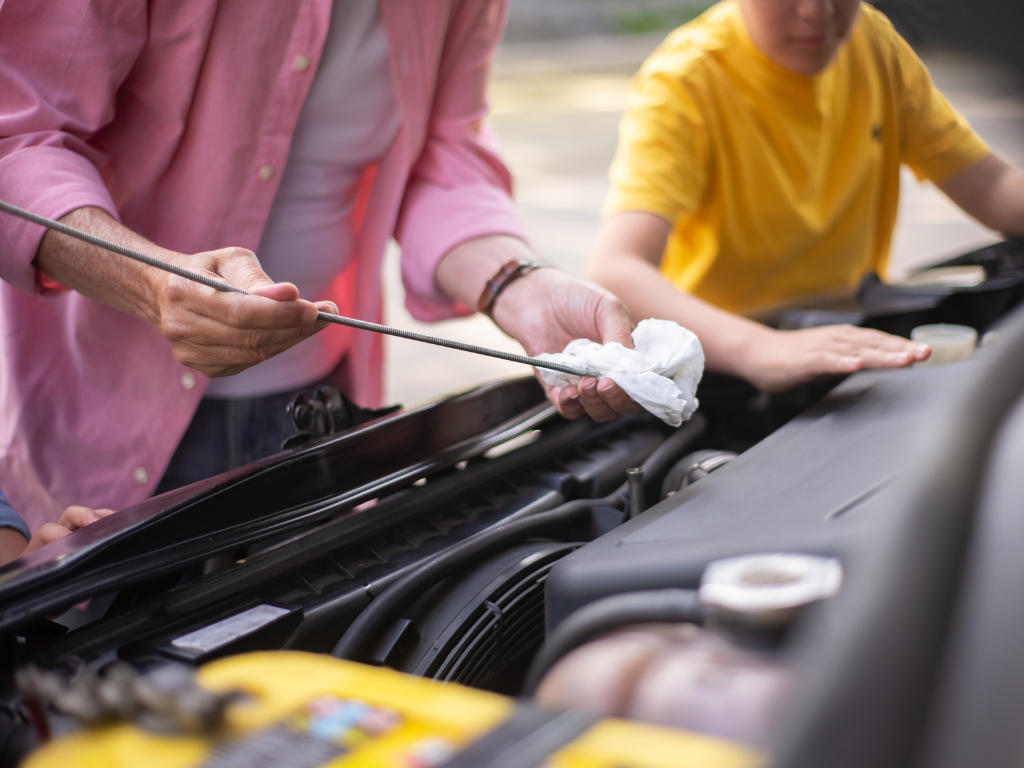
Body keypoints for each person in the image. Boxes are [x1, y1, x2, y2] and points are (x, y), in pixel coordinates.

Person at [0, 0, 639, 546]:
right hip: (106, 408)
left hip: (319, 399)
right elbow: (19, 139)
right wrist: (151, 284)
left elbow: (443, 153)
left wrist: (521, 285)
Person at [588, 0, 1024, 393]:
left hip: (850, 335)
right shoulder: (687, 81)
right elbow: (617, 268)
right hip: (725, 360)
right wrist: (760, 348)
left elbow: (991, 186)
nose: (817, 11)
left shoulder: (874, 46)